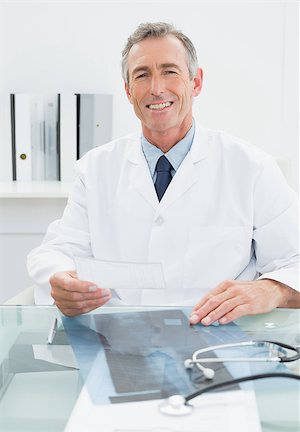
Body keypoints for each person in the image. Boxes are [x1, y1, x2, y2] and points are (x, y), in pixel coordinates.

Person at [27, 22, 299, 324]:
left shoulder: (251, 167)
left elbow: (295, 260)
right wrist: (62, 279)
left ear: (195, 82)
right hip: (118, 339)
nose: (156, 88)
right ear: (129, 91)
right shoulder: (95, 169)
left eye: (169, 71)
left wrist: (273, 289)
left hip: (217, 344)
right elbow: (57, 252)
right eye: (142, 75)